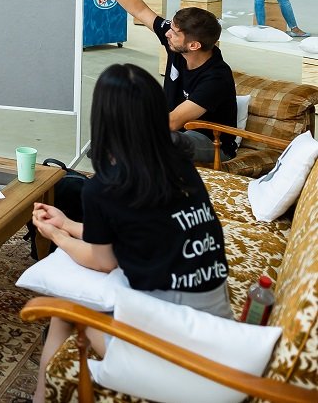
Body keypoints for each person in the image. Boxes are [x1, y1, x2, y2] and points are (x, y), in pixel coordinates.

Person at [31, 63, 231, 403]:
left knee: (61, 306)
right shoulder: (179, 166)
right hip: (215, 320)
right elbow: (140, 232)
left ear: (104, 119)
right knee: (67, 305)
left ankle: (38, 398)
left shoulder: (108, 187)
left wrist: (58, 238)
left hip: (171, 346)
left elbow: (102, 260)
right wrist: (66, 223)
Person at [78, 0, 237, 164]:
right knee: (109, 133)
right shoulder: (178, 46)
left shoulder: (216, 78)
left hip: (210, 141)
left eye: (175, 32)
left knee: (162, 140)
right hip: (175, 130)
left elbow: (173, 121)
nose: (167, 34)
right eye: (170, 28)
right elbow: (139, 9)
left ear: (194, 45)